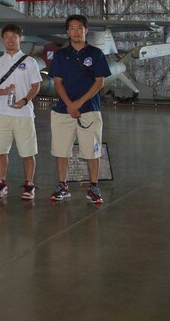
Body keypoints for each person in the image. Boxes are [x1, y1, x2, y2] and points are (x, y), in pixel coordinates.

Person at [48, 14, 111, 204]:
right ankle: (62, 185)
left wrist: (78, 104)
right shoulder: (61, 55)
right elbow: (57, 82)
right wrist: (69, 104)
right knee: (61, 150)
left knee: (92, 151)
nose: (76, 32)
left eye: (80, 28)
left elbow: (99, 82)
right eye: (72, 28)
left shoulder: (96, 54)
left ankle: (93, 186)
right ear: (67, 32)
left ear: (86, 30)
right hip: (63, 110)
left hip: (90, 110)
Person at [0, 24, 42, 200]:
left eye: (14, 36)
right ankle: (1, 183)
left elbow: (36, 86)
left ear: (20, 39)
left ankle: (29, 184)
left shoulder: (30, 62)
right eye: (7, 37)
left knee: (27, 152)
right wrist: (3, 92)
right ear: (2, 40)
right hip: (2, 113)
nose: (10, 40)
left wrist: (25, 100)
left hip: (24, 114)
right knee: (0, 150)